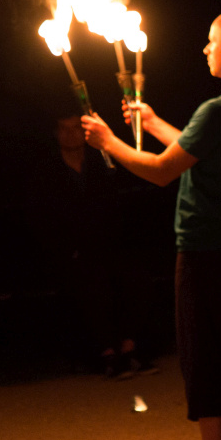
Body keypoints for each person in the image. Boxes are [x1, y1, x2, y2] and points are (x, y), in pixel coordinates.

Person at [82, 10, 221, 440]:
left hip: (204, 251)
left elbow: (161, 172)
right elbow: (199, 152)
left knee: (204, 357)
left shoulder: (217, 110)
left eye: (212, 40)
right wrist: (151, 123)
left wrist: (108, 141)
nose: (205, 48)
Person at [25, 112, 156, 378]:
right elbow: (43, 218)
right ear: (56, 133)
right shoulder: (47, 172)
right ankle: (107, 354)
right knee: (90, 281)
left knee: (135, 276)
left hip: (109, 245)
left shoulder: (101, 164)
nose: (70, 134)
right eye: (64, 129)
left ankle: (129, 348)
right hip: (72, 251)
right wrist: (68, 250)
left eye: (76, 128)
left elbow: (116, 208)